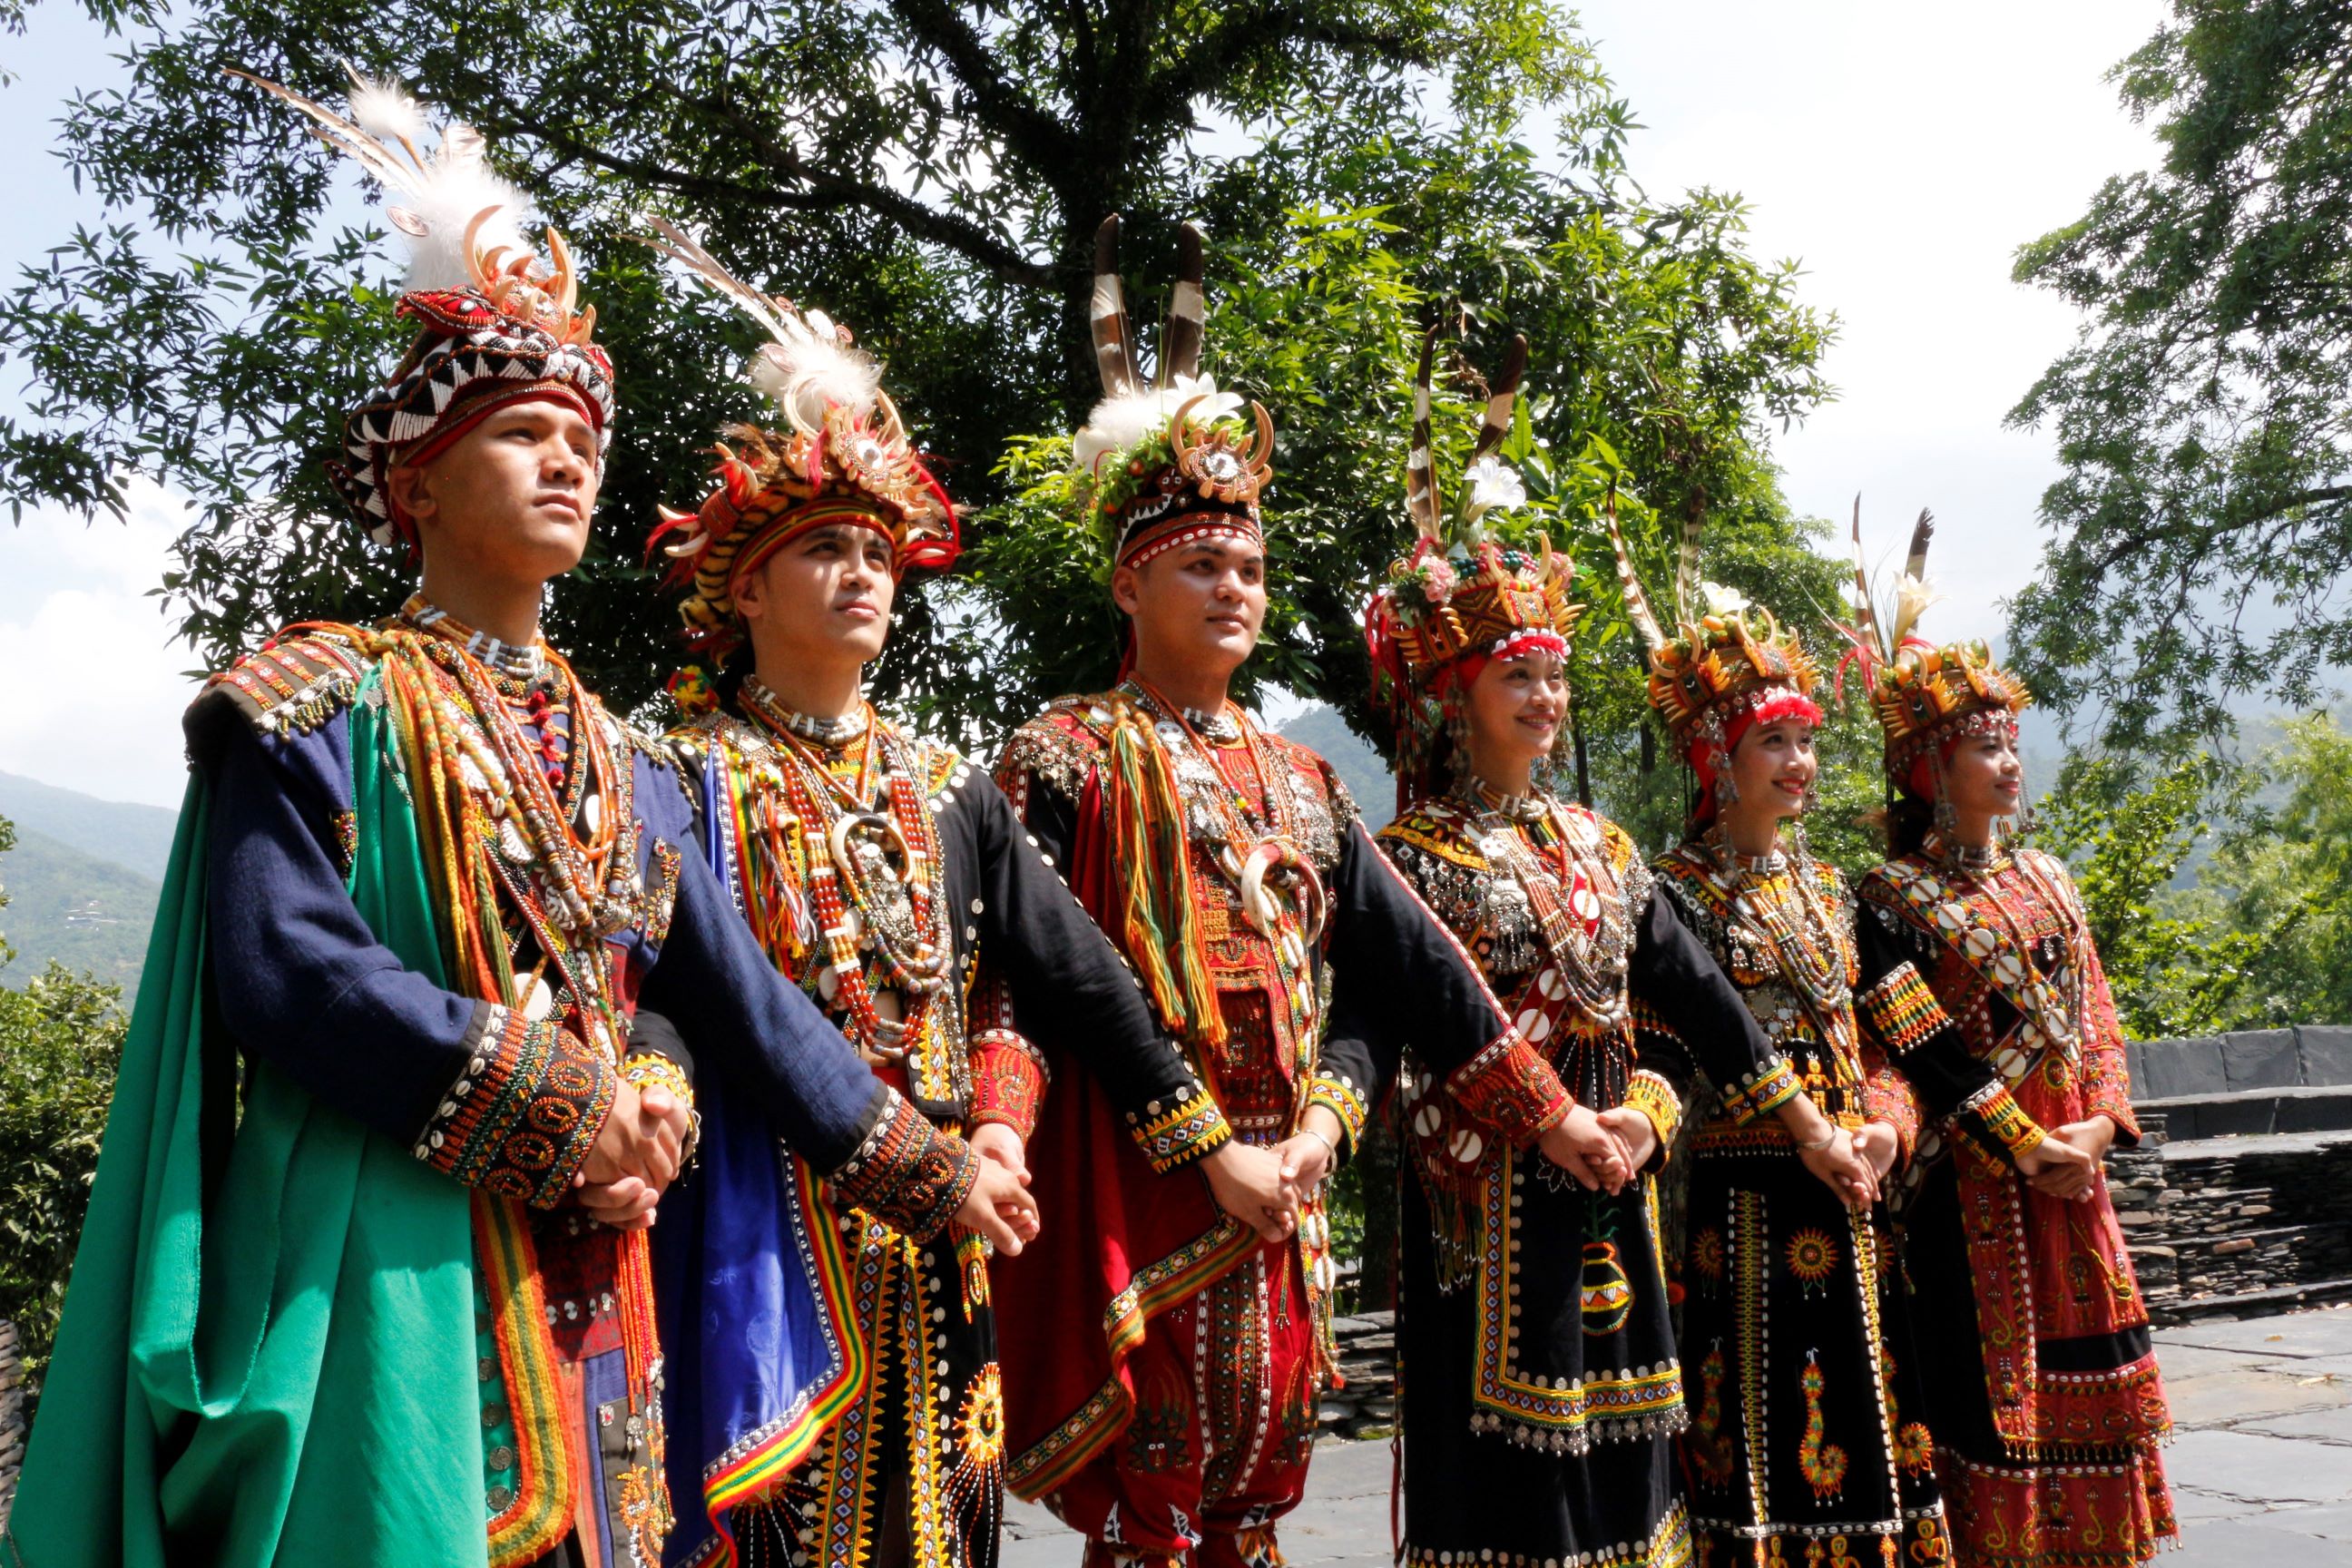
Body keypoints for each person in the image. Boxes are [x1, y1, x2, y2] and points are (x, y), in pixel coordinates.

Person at [0, 77, 1026, 1568]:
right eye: (523, 434)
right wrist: (561, 1101)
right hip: (383, 1261)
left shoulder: (628, 758)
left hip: (599, 1279)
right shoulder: (320, 701)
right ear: (416, 486)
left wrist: (922, 1169)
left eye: (582, 445)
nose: (566, 463)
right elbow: (287, 967)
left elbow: (731, 997)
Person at [632, 227, 1250, 1568]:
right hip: (765, 1238)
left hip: (944, 1236)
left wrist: (1110, 1138)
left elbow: (1061, 972)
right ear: (746, 586)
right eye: (825, 549)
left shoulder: (947, 786)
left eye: (878, 550)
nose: (864, 573)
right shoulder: (678, 773)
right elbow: (670, 992)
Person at [985, 220, 1545, 1568]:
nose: (1233, 587)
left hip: (1286, 1182)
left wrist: (1327, 1129)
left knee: (1258, 1491)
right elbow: (1036, 980)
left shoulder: (1302, 777)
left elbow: (1390, 970)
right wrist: (1201, 1151)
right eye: (1201, 564)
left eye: (1248, 567)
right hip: (1148, 1183)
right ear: (1130, 582)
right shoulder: (1064, 754)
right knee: (1160, 1500)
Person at [1356, 328, 1878, 1568]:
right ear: (1455, 695)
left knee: (1633, 1461)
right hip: (1486, 1203)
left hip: (1615, 1180)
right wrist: (1546, 1124)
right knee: (1506, 1487)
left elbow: (1700, 1007)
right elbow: (1394, 1030)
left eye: (1555, 673)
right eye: (1517, 675)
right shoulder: (1408, 855)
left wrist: (1694, 1120)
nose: (1546, 696)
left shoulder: (1604, 846)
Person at [1608, 516, 2099, 1567]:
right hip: (1746, 1210)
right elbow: (1672, 1049)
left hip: (1857, 1199)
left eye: (1807, 740)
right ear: (1714, 756)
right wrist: (1653, 1125)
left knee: (1876, 1430)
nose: (1800, 763)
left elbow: (1906, 1036)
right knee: (1761, 1437)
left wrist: (1885, 1125)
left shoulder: (1837, 894)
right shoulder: (1672, 896)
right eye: (1774, 742)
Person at [1844, 510, 2176, 1567]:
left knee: (2094, 1386)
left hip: (2075, 1174)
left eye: (2009, 745)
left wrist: (2099, 1128)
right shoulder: (1889, 898)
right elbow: (1918, 1046)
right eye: (1984, 748)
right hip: (1974, 1187)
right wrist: (2023, 1145)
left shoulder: (2051, 879)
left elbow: (2097, 1018)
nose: (2007, 764)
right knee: (1988, 1397)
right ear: (1926, 770)